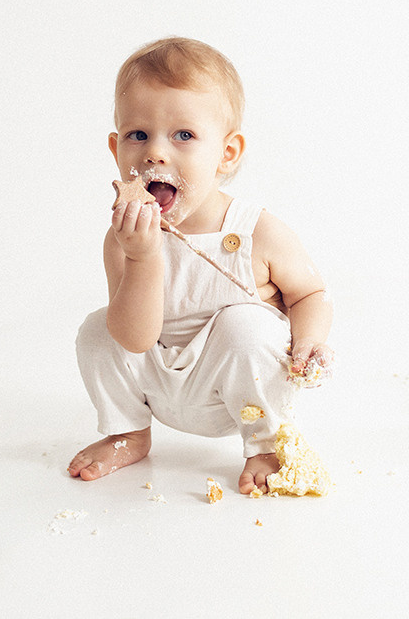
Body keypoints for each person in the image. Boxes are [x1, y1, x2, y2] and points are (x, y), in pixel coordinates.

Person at [68, 37, 334, 494]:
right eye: (138, 135)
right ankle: (128, 431)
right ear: (116, 149)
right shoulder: (123, 241)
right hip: (160, 384)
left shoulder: (257, 231)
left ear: (226, 153)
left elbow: (310, 293)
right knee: (97, 331)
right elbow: (134, 338)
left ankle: (266, 444)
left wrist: (309, 340)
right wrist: (142, 256)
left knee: (245, 325)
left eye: (184, 136)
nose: (155, 152)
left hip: (236, 391)